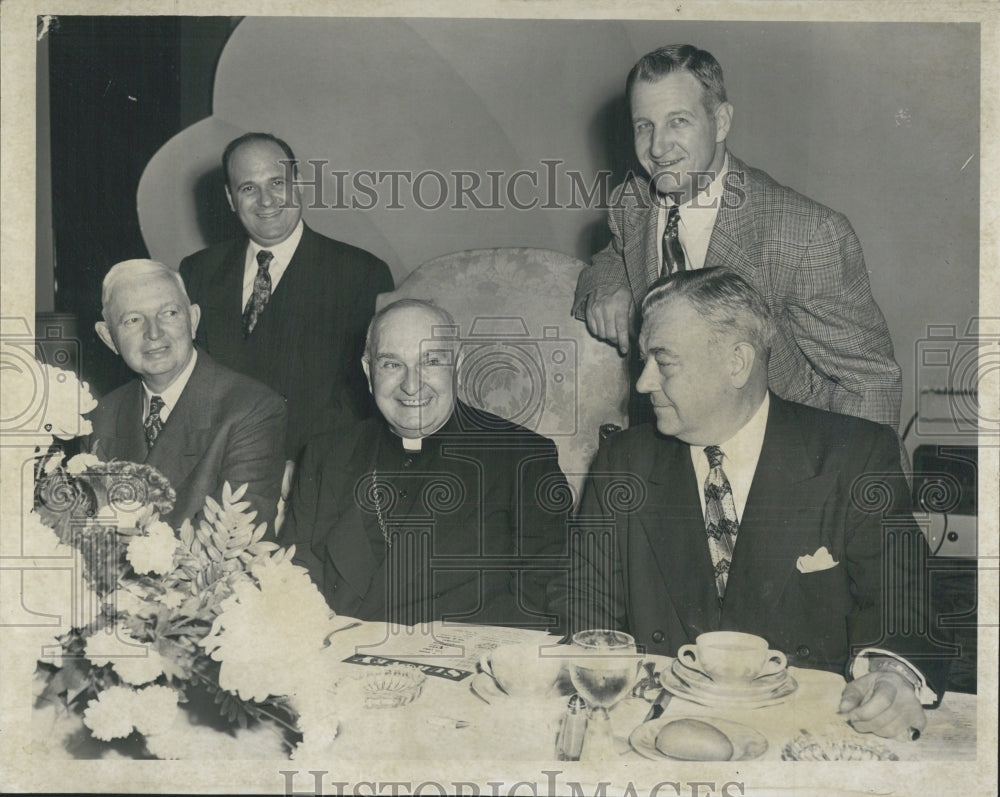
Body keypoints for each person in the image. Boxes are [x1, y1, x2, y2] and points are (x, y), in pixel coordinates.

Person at [566, 269, 947, 739]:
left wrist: (892, 676)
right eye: (643, 360)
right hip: (660, 732)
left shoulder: (854, 455)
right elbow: (586, 610)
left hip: (806, 735)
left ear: (737, 363)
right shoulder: (622, 464)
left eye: (663, 362)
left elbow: (902, 604)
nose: (643, 383)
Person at [574, 44, 902, 430]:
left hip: (777, 453)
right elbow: (613, 256)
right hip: (669, 444)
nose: (658, 147)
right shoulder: (632, 203)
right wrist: (608, 286)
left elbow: (869, 380)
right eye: (644, 125)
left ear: (722, 121)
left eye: (678, 121)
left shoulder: (806, 234)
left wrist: (848, 483)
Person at [280, 299, 569, 627]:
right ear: (368, 371)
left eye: (430, 361)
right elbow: (292, 578)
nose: (411, 384)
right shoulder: (326, 454)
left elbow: (543, 601)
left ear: (457, 365)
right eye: (392, 364)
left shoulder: (523, 459)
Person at [180, 132, 394, 463]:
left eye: (277, 183)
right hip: (216, 466)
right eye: (248, 188)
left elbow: (362, 397)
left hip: (312, 472)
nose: (266, 200)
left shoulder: (359, 274)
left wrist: (304, 468)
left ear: (299, 184)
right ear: (230, 198)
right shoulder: (198, 271)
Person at [89, 259, 287, 529]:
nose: (154, 333)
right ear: (108, 338)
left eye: (169, 313)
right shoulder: (102, 415)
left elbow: (233, 545)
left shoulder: (251, 410)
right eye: (133, 320)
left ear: (193, 320)